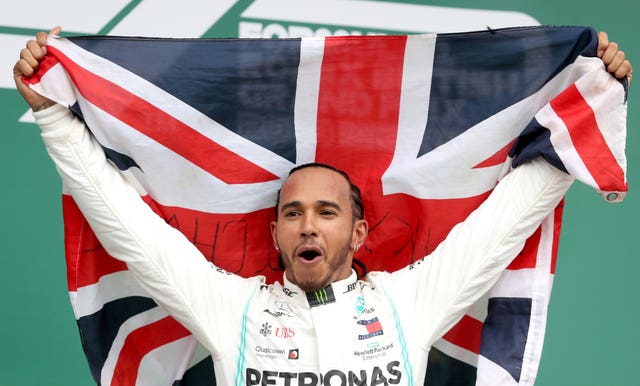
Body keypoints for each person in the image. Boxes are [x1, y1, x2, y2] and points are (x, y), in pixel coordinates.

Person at [13, 28, 632, 385]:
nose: (308, 223)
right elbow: (128, 230)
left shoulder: (405, 303)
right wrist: (55, 120)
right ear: (277, 234)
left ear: (359, 233)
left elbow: (508, 219)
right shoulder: (234, 308)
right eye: (292, 213)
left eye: (327, 212)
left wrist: (594, 99)